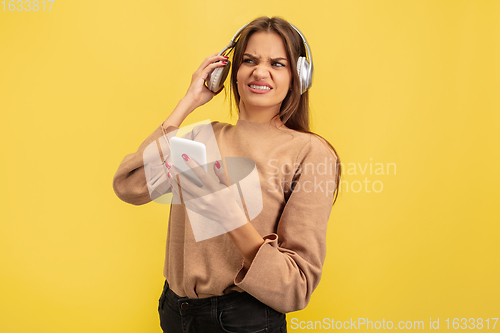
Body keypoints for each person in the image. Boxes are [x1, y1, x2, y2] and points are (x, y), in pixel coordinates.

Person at [112, 16, 341, 333]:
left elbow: (295, 287)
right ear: (229, 73)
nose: (260, 71)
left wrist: (229, 215)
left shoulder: (310, 153)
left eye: (277, 63)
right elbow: (130, 186)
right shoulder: (200, 137)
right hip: (174, 312)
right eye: (249, 60)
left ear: (299, 78)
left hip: (242, 321)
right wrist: (188, 102)